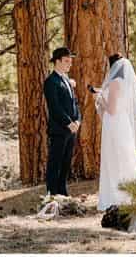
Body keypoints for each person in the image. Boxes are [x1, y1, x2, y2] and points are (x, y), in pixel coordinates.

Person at [94, 53, 136, 212]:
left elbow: (111, 109)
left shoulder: (114, 83)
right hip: (120, 123)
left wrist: (99, 98)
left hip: (115, 124)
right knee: (123, 157)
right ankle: (130, 192)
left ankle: (117, 195)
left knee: (114, 158)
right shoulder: (124, 83)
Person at [43, 47, 81, 197]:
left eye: (70, 61)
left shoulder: (67, 80)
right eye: (66, 61)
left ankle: (63, 193)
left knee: (66, 163)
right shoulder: (50, 81)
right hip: (59, 129)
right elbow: (55, 107)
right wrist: (68, 122)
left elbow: (75, 103)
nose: (69, 64)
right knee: (55, 163)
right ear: (57, 61)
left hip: (72, 129)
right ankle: (52, 194)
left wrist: (78, 120)